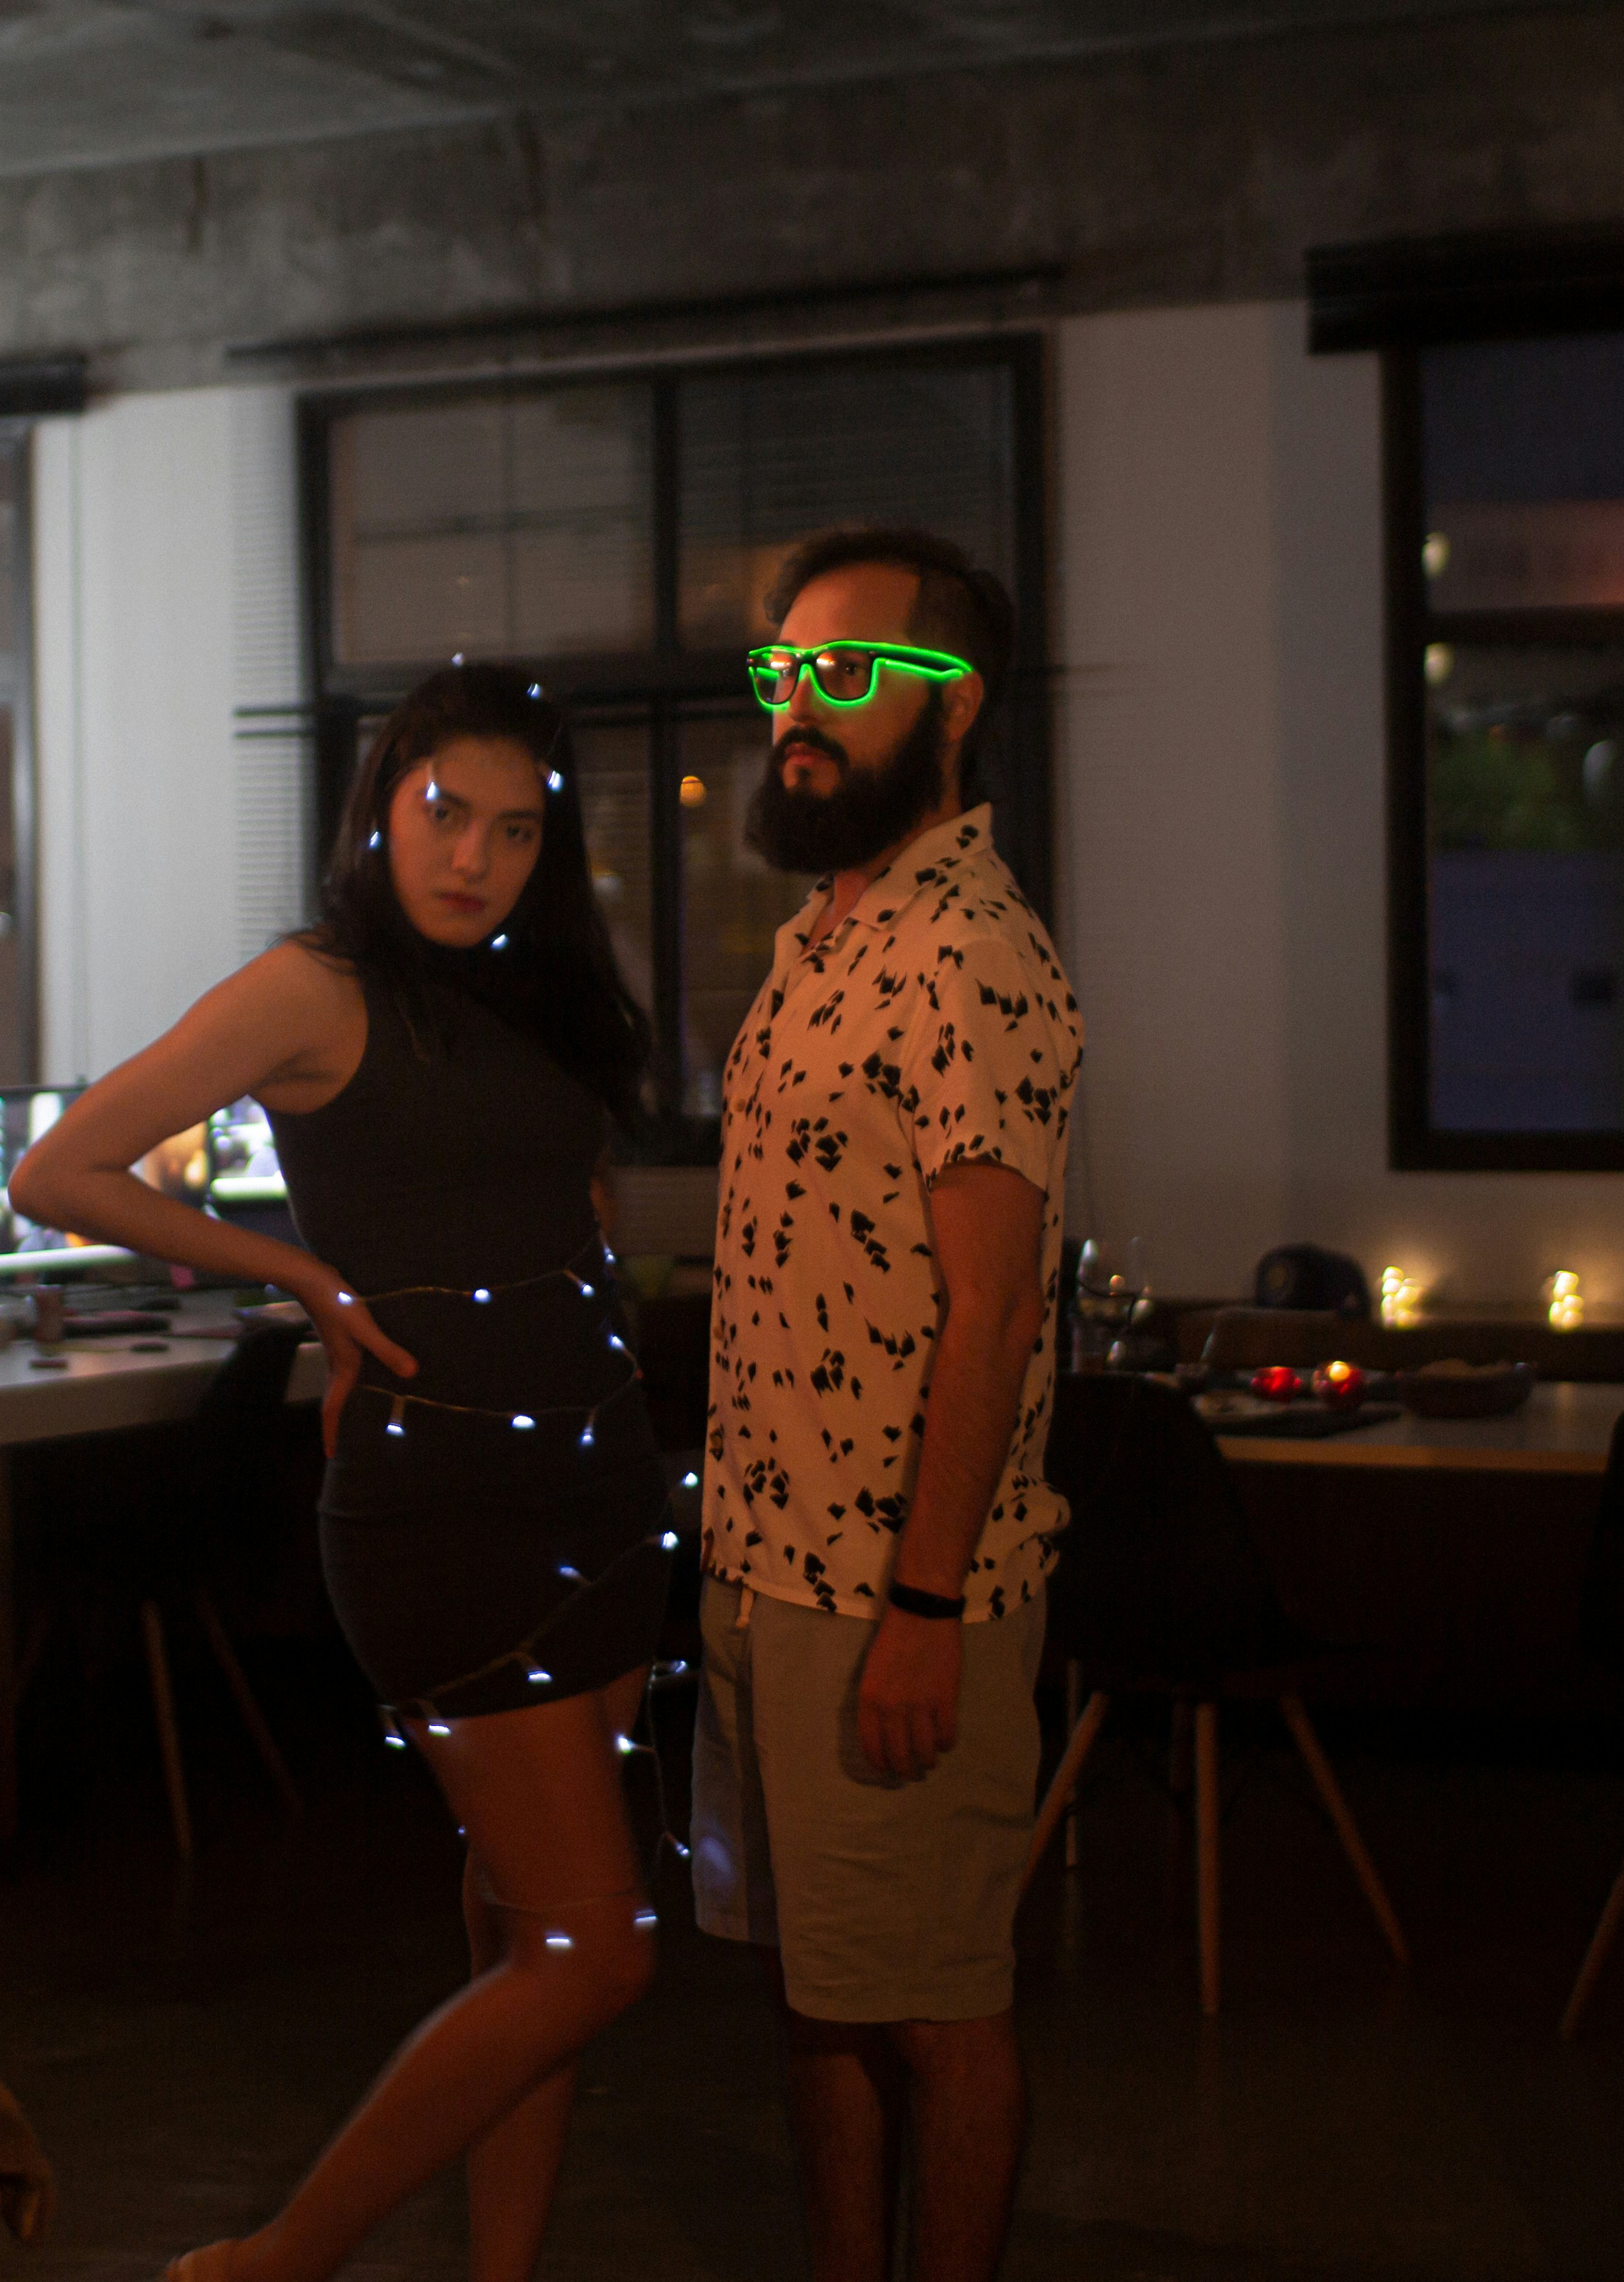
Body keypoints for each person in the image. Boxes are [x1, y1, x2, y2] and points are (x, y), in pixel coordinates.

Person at [7, 664, 673, 2282]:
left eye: (516, 831)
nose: (475, 858)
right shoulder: (315, 985)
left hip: (595, 1485)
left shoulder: (533, 993)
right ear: (383, 803)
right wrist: (296, 1276)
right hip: (442, 1508)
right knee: (594, 1949)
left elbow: (565, 1210)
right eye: (447, 813)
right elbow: (59, 1168)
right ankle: (269, 2263)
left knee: (525, 1932)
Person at [689, 525, 1083, 2282]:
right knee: (819, 2001)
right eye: (783, 672)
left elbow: (994, 1307)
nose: (799, 707)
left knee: (932, 2007)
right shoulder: (823, 942)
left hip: (892, 1596)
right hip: (768, 1572)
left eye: (845, 674)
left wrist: (924, 1606)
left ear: (955, 706)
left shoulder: (969, 954)